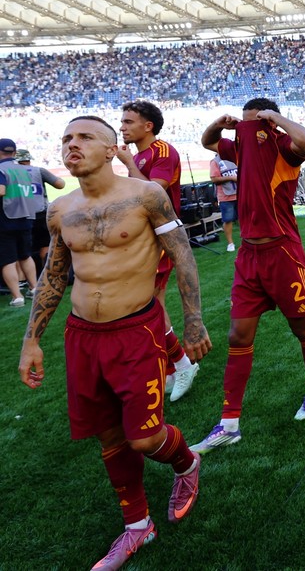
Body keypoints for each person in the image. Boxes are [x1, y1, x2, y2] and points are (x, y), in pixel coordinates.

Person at [17, 116, 212, 569]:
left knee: (143, 439)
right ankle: (137, 526)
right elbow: (54, 275)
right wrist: (32, 340)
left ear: (111, 150)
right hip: (83, 335)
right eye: (67, 138)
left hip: (136, 330)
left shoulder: (146, 195)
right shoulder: (60, 209)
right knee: (108, 434)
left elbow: (181, 252)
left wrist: (194, 320)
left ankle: (186, 465)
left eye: (85, 137)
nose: (72, 145)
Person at [192, 97, 305, 454]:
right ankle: (229, 423)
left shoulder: (284, 147)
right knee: (238, 334)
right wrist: (221, 124)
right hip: (249, 256)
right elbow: (207, 141)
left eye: (256, 125)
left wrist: (274, 119)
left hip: (281, 251)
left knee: (302, 327)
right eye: (245, 125)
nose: (249, 131)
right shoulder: (240, 150)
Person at [117, 100, 200, 402]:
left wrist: (127, 165)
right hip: (145, 238)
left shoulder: (162, 152)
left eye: (128, 121)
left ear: (147, 125)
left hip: (162, 237)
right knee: (148, 303)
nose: (122, 127)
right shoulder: (141, 155)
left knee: (150, 304)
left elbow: (155, 193)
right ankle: (171, 367)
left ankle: (180, 363)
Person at [0, 138, 38, 307]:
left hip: (5, 219)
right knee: (25, 255)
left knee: (7, 260)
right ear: (14, 152)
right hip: (26, 217)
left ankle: (17, 297)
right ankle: (34, 288)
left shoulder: (1, 169)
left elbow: (1, 191)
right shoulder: (24, 170)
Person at [16, 148, 66, 271]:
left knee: (23, 249)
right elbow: (60, 184)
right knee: (44, 245)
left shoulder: (11, 173)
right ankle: (46, 272)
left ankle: (26, 277)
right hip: (41, 213)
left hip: (22, 215)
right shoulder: (39, 171)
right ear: (29, 159)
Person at [209, 154, 238, 252]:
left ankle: (247, 239)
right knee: (228, 220)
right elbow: (214, 179)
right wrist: (231, 178)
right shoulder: (215, 161)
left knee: (245, 218)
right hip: (226, 197)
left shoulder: (236, 156)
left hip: (241, 194)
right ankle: (230, 243)